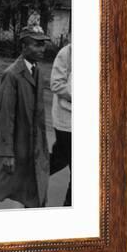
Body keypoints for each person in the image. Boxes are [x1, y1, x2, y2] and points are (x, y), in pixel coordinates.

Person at [0, 25, 51, 210]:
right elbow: (6, 117)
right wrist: (7, 153)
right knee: (0, 189)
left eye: (43, 44)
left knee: (36, 194)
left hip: (34, 146)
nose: (42, 49)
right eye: (37, 45)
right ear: (24, 46)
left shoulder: (37, 71)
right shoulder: (12, 75)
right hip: (16, 147)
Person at [50, 42, 72, 206]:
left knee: (58, 160)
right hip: (66, 122)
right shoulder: (67, 52)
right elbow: (56, 84)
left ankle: (24, 180)